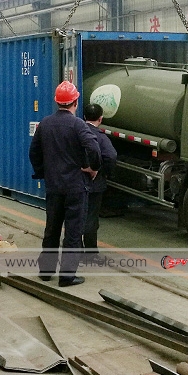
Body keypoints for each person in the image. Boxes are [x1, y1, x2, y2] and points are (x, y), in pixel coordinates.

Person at [30, 81, 101, 287]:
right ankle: (67, 276)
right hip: (75, 187)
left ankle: (46, 271)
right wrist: (92, 168)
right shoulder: (78, 124)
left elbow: (34, 152)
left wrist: (43, 172)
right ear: (75, 102)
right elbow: (94, 149)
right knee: (73, 231)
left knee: (51, 229)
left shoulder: (45, 124)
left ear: (57, 102)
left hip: (54, 187)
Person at [82, 103, 117, 259]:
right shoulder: (101, 137)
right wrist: (107, 173)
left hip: (74, 182)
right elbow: (111, 156)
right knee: (91, 219)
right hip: (94, 185)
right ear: (100, 119)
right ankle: (90, 253)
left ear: (84, 117)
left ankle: (72, 249)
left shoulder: (76, 133)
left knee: (74, 216)